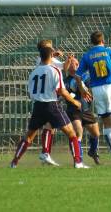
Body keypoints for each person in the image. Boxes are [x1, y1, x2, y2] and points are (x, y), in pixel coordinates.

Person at [10, 47, 88, 169]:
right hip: (52, 105)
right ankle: (78, 162)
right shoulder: (54, 70)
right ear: (52, 56)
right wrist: (74, 102)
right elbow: (61, 90)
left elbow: (30, 94)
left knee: (28, 137)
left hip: (38, 106)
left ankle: (14, 163)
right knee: (72, 134)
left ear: (40, 57)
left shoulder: (34, 72)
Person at [75, 31, 111, 165]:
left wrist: (82, 89)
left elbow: (77, 76)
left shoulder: (87, 55)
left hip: (97, 90)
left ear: (91, 42)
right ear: (103, 41)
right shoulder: (110, 51)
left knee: (107, 122)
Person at [36, 39, 73, 167]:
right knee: (56, 127)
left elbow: (64, 67)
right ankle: (45, 153)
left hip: (52, 96)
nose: (52, 49)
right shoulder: (40, 60)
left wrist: (68, 60)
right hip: (47, 98)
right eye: (49, 47)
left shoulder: (50, 59)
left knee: (50, 126)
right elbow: (49, 63)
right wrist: (54, 55)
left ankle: (46, 154)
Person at [65, 57, 101, 165]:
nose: (74, 65)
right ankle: (78, 159)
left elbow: (91, 89)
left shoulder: (86, 77)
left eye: (76, 63)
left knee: (96, 134)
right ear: (68, 66)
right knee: (78, 133)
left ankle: (92, 151)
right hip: (73, 110)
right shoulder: (65, 81)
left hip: (85, 109)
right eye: (71, 63)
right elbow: (65, 93)